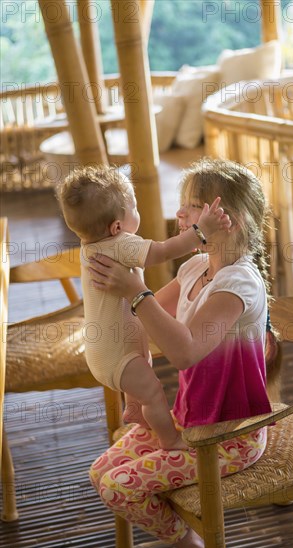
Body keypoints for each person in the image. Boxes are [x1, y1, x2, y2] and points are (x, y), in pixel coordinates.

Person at [88, 158, 276, 548]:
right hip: (189, 418)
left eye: (192, 205)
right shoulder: (195, 267)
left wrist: (135, 291)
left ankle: (190, 543)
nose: (180, 213)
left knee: (117, 489)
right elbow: (150, 321)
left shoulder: (236, 285)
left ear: (230, 220)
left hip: (229, 436)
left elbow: (185, 351)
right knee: (100, 472)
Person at [57, 166, 231, 451]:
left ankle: (134, 408)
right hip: (118, 356)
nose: (137, 212)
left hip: (105, 351)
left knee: (144, 367)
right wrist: (203, 231)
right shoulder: (120, 244)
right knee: (154, 392)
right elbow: (164, 251)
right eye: (134, 207)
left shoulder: (90, 245)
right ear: (116, 227)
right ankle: (170, 440)